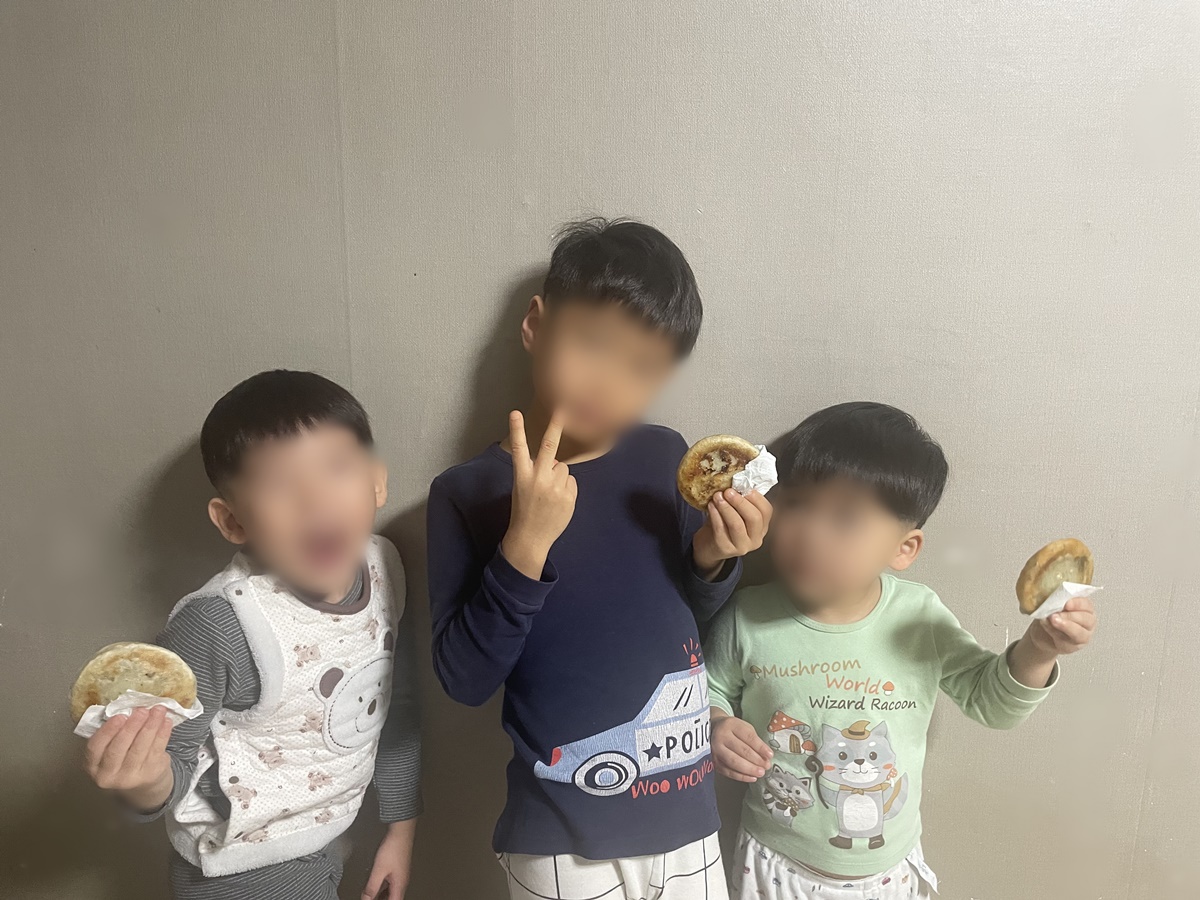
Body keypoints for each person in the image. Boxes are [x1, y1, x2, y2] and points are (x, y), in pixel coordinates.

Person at [426, 218, 771, 900]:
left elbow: (687, 614)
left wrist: (712, 557)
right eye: (593, 343)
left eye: (642, 368)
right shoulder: (468, 492)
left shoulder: (663, 456)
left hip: (685, 810)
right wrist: (525, 545)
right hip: (560, 831)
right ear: (536, 325)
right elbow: (463, 680)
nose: (609, 381)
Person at [704, 402, 1098, 900]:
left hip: (886, 872)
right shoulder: (747, 615)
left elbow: (992, 704)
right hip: (774, 864)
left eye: (846, 518)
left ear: (904, 549)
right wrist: (716, 725)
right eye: (798, 504)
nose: (810, 533)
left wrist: (1039, 649)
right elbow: (706, 689)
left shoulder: (919, 616)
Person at [82, 370, 421, 900]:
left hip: (331, 837)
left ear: (377, 480)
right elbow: (172, 764)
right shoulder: (219, 625)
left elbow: (392, 702)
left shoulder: (384, 566)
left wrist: (401, 831)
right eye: (280, 484)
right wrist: (142, 783)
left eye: (337, 467)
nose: (316, 501)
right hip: (240, 869)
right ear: (233, 522)